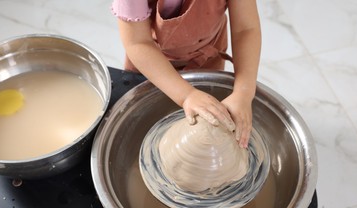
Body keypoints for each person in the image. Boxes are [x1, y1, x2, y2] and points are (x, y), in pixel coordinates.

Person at [112, 0, 261, 148]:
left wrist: (243, 92)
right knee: (144, 124)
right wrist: (187, 95)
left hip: (206, 54)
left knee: (210, 116)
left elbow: (245, 29)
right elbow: (138, 42)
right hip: (152, 60)